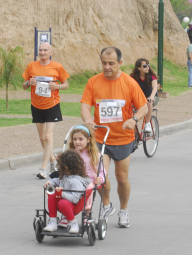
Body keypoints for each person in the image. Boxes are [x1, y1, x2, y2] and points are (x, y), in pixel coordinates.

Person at [80, 47, 148, 228]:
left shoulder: (129, 82)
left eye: (111, 63)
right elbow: (85, 106)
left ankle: (123, 210)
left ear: (120, 63)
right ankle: (106, 204)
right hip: (100, 138)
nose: (107, 67)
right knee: (99, 176)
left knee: (122, 177)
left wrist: (134, 120)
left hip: (123, 139)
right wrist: (88, 120)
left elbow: (143, 107)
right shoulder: (93, 82)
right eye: (104, 63)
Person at [22, 42, 70, 179]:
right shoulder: (32, 66)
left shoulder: (57, 66)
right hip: (36, 105)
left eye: (45, 50)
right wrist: (28, 83)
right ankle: (55, 161)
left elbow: (66, 84)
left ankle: (44, 168)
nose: (42, 52)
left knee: (48, 136)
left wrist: (57, 87)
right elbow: (24, 86)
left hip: (52, 104)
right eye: (40, 50)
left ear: (51, 52)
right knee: (42, 138)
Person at [56, 124, 105, 227]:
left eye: (80, 139)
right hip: (73, 179)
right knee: (64, 187)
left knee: (89, 188)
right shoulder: (72, 153)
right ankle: (66, 215)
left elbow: (101, 172)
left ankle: (87, 214)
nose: (77, 142)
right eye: (75, 139)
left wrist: (99, 179)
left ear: (88, 140)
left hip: (88, 181)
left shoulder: (95, 155)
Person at [42, 150, 91, 233]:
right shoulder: (65, 176)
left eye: (60, 166)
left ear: (66, 167)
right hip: (63, 202)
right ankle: (53, 222)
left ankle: (73, 223)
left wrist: (62, 193)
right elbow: (58, 180)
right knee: (52, 196)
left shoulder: (76, 181)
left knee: (62, 203)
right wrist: (51, 182)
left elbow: (75, 199)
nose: (59, 168)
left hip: (73, 206)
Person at [130, 58, 159, 132]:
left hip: (151, 97)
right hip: (139, 98)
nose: (147, 67)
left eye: (148, 65)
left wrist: (152, 96)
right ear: (139, 68)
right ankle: (134, 130)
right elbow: (129, 88)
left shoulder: (152, 76)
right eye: (145, 66)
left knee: (148, 103)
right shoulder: (133, 77)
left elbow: (155, 87)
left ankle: (147, 124)